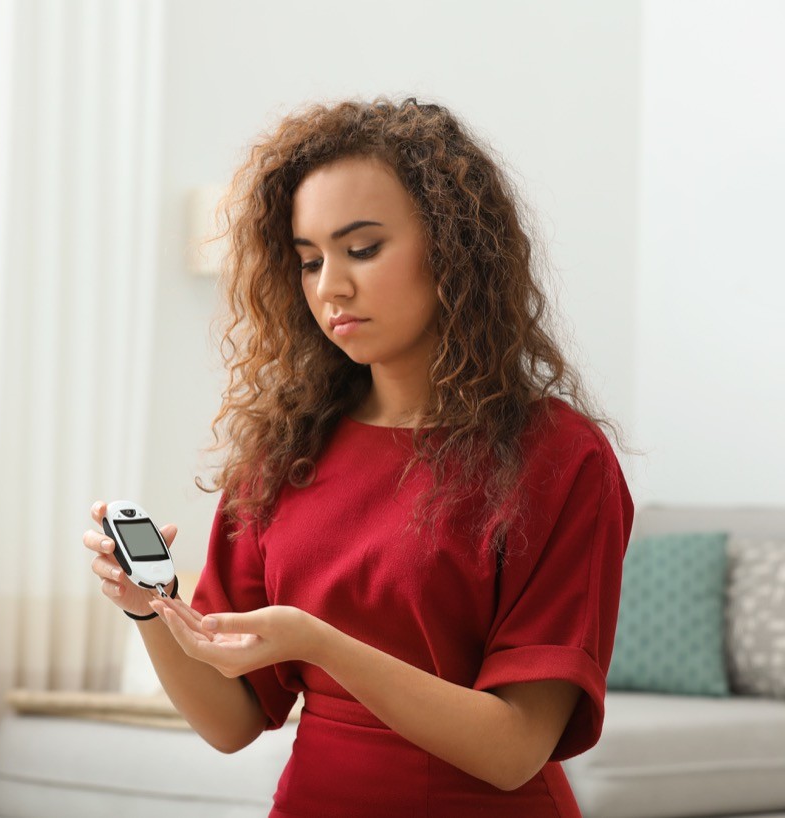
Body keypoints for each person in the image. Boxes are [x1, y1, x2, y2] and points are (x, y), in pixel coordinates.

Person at [82, 96, 634, 817]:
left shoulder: (560, 458)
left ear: (453, 247)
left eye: (363, 249)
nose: (329, 287)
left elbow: (513, 749)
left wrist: (321, 642)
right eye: (309, 261)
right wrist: (151, 611)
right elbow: (232, 721)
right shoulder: (285, 451)